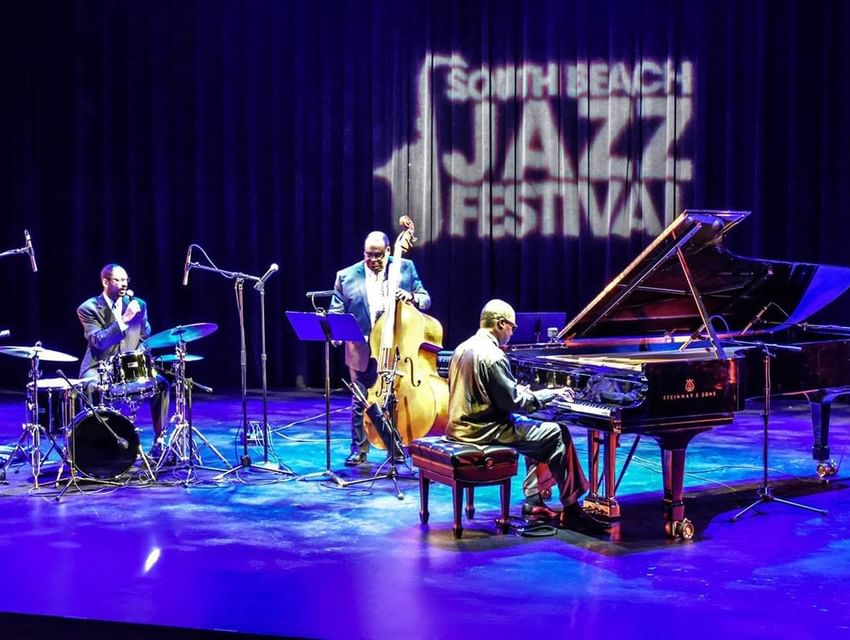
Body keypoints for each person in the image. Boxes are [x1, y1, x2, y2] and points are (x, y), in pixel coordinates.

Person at [447, 299, 607, 532]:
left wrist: (532, 394)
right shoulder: (493, 356)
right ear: (500, 324)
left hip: (459, 427)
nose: (512, 333)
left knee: (539, 425)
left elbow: (499, 393)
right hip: (484, 430)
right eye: (512, 327)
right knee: (557, 433)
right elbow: (515, 402)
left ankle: (534, 501)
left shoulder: (462, 347)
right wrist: (549, 395)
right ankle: (573, 509)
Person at [329, 230, 432, 466]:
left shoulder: (405, 268)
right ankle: (359, 449)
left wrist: (412, 297)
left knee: (396, 399)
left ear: (388, 251)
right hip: (361, 347)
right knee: (360, 401)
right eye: (369, 255)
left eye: (378, 256)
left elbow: (426, 299)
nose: (374, 260)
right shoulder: (345, 276)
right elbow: (336, 311)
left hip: (396, 349)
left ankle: (395, 448)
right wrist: (335, 334)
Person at [77, 263, 170, 456]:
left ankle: (159, 441)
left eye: (125, 280)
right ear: (105, 282)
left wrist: (141, 359)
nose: (123, 284)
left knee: (161, 384)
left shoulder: (139, 304)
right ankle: (97, 446)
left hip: (128, 366)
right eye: (118, 280)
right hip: (99, 366)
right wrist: (124, 320)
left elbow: (145, 336)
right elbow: (98, 341)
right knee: (91, 387)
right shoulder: (88, 308)